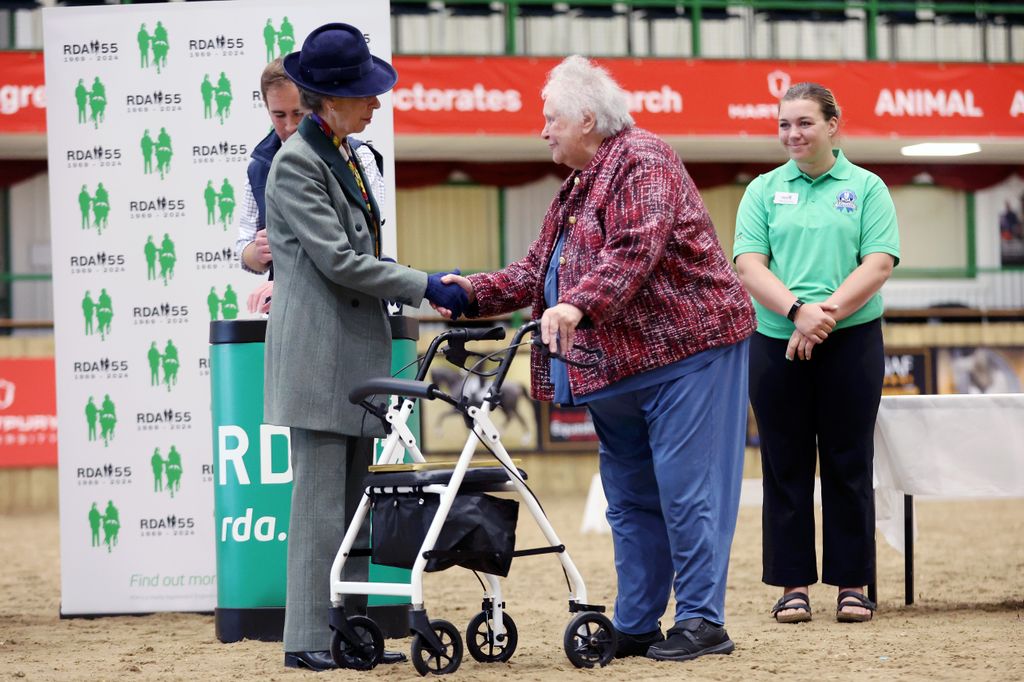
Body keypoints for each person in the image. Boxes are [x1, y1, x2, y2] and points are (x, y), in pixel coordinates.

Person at [439, 55, 756, 663]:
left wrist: (579, 303)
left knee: (688, 493)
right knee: (631, 499)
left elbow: (637, 246)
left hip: (688, 352)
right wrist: (472, 291)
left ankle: (701, 621)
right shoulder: (578, 186)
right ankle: (638, 622)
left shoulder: (645, 158)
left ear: (586, 117)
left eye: (550, 118)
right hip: (616, 369)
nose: (543, 130)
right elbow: (537, 272)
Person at [263, 22, 466, 672]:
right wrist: (426, 284)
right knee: (321, 508)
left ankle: (343, 630)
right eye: (365, 96)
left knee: (350, 510)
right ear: (331, 99)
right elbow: (342, 262)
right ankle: (304, 640)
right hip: (319, 360)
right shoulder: (299, 163)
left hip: (349, 354)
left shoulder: (342, 153)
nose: (375, 105)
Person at [733, 82, 900, 625]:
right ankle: (792, 586)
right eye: (784, 124)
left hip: (850, 342)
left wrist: (821, 316)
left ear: (833, 124)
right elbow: (749, 265)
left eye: (803, 122)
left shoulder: (867, 187)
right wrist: (796, 312)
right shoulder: (761, 190)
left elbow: (877, 263)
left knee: (850, 461)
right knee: (785, 463)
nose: (792, 134)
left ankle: (854, 583)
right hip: (776, 339)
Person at [235, 57, 387, 315]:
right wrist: (257, 252)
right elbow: (244, 248)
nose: (290, 125)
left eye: (298, 113)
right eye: (278, 115)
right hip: (289, 314)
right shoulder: (259, 167)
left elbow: (358, 247)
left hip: (351, 308)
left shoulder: (359, 158)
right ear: (266, 108)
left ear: (315, 106)